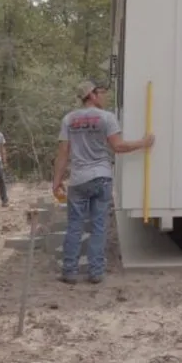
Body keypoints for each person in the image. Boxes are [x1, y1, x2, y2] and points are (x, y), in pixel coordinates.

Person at [50, 80, 154, 284]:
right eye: (102, 93)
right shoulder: (107, 118)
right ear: (92, 95)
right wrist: (144, 143)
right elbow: (119, 147)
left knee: (75, 225)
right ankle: (95, 272)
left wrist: (57, 181)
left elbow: (63, 153)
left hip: (78, 181)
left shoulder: (69, 119)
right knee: (98, 226)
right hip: (101, 177)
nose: (105, 97)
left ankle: (69, 271)